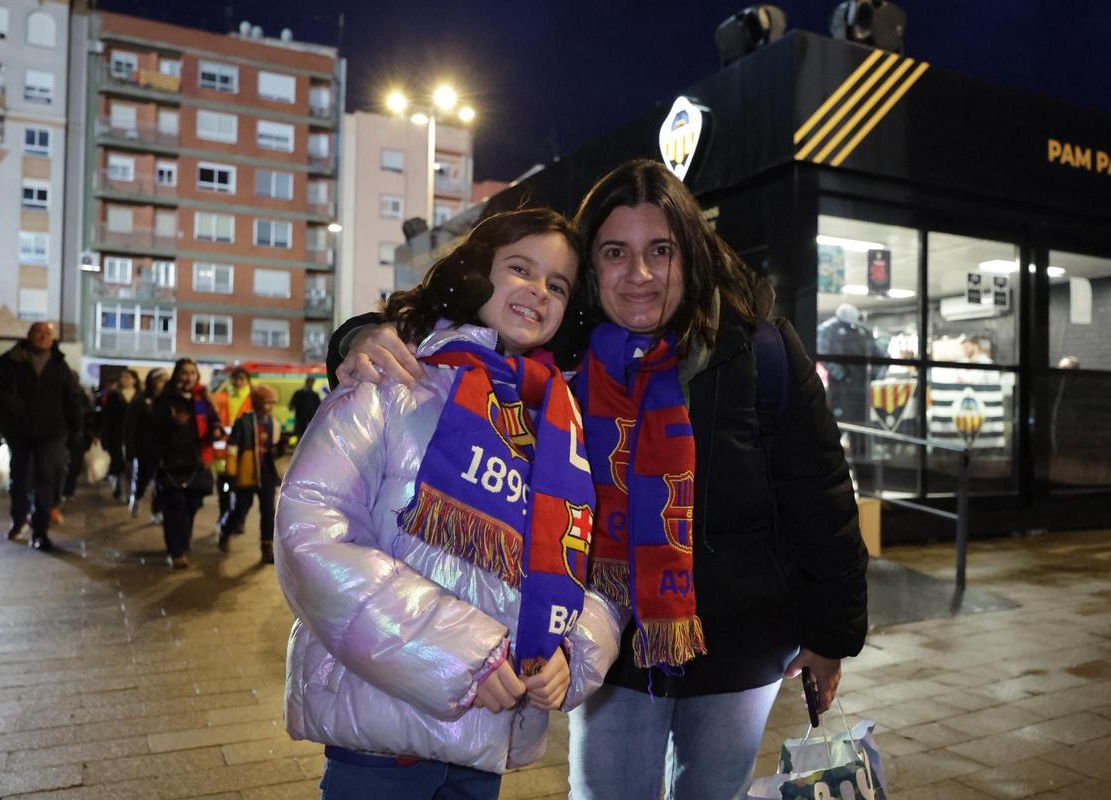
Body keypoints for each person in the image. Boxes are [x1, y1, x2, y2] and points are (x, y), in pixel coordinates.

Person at [336, 159, 869, 800]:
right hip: (609, 650)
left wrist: (831, 637)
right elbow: (450, 341)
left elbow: (821, 498)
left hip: (741, 647)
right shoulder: (561, 351)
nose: (639, 274)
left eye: (661, 250)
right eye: (615, 252)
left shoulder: (758, 350)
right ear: (592, 264)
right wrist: (359, 336)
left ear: (692, 253)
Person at [276, 208, 622, 799]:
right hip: (382, 744)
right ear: (475, 273)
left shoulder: (558, 422)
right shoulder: (394, 379)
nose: (539, 291)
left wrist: (573, 650)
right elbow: (309, 534)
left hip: (485, 746)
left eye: (558, 285)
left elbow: (588, 561)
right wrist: (464, 657)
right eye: (521, 269)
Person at [0, 322, 84, 551]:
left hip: (51, 432)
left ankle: (40, 531)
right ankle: (18, 519)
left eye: (48, 333)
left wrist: (76, 429)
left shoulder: (59, 365)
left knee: (45, 478)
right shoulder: (11, 360)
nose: (43, 337)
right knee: (20, 477)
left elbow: (72, 398)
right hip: (20, 430)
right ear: (29, 335)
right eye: (39, 332)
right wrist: (9, 404)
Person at [154, 358, 221, 569]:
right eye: (184, 372)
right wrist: (173, 423)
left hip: (196, 462)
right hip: (171, 463)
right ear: (176, 375)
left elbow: (213, 422)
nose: (188, 377)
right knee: (175, 507)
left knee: (193, 504)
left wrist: (215, 430)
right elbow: (153, 429)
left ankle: (182, 539)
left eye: (192, 373)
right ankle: (176, 551)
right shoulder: (166, 400)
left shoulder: (202, 399)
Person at [219, 384, 281, 564]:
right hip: (247, 473)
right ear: (258, 403)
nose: (271, 406)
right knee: (241, 508)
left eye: (272, 402)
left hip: (266, 474)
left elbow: (274, 450)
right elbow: (232, 448)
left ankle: (267, 547)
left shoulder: (273, 424)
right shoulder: (243, 422)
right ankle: (225, 531)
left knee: (268, 511)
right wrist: (231, 473)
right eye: (268, 402)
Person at [124, 369, 168, 521]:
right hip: (145, 447)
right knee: (143, 477)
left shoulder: (168, 400)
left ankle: (157, 511)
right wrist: (130, 447)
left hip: (163, 448)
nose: (163, 384)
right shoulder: (141, 400)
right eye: (160, 380)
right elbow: (131, 425)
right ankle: (137, 498)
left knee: (162, 481)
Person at [214, 366, 252, 532]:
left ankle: (237, 519)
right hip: (223, 454)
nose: (238, 382)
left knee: (243, 491)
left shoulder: (252, 399)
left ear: (247, 381)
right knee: (225, 489)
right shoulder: (221, 397)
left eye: (241, 379)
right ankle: (224, 515)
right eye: (235, 378)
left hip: (244, 454)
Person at [98, 369, 140, 500]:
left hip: (135, 436)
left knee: (131, 465)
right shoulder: (113, 396)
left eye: (127, 377)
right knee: (117, 463)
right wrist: (104, 436)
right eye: (122, 377)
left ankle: (129, 491)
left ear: (134, 380)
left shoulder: (140, 396)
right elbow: (106, 417)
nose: (124, 380)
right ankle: (117, 485)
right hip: (116, 435)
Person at [288, 376, 322, 442]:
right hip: (302, 421)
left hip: (306, 421)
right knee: (304, 438)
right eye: (310, 382)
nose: (311, 384)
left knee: (305, 438)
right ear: (307, 382)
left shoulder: (313, 395)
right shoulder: (300, 393)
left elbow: (319, 407)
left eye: (312, 383)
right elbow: (291, 406)